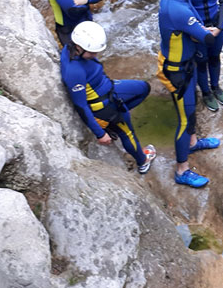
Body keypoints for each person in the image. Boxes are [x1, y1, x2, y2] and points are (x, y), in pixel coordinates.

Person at [156, 0, 220, 188]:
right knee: (185, 118)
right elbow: (206, 38)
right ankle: (182, 170)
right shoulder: (178, 9)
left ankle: (192, 142)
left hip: (184, 64)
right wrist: (214, 30)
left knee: (190, 113)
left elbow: (193, 29)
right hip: (177, 71)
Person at [60, 21, 156, 174]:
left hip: (107, 87)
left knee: (143, 88)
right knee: (127, 131)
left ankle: (112, 123)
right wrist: (100, 133)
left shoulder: (71, 48)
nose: (95, 55)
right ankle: (142, 161)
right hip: (103, 106)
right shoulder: (74, 72)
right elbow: (81, 105)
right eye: (92, 52)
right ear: (79, 47)